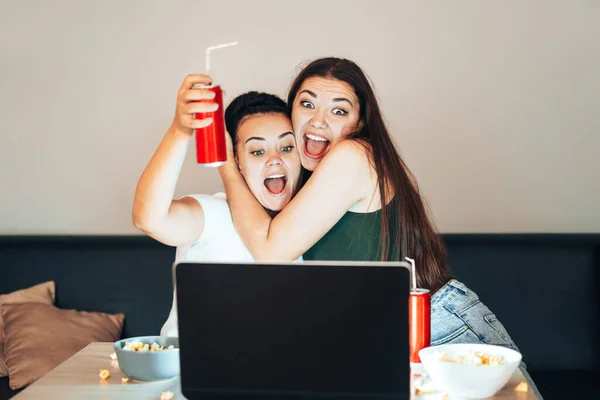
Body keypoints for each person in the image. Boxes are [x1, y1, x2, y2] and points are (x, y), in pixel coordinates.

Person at [217, 57, 542, 397]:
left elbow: (270, 253)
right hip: (395, 340)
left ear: (359, 123)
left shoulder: (353, 156)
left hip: (440, 333)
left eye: (339, 111)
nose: (317, 120)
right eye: (307, 103)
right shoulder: (312, 185)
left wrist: (225, 165)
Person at [132, 74, 302, 336]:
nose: (275, 159)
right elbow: (149, 219)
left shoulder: (304, 227)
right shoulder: (213, 214)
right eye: (257, 151)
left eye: (287, 147)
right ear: (237, 162)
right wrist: (180, 129)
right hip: (191, 372)